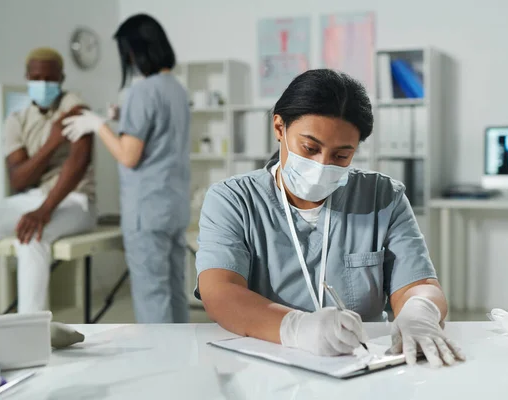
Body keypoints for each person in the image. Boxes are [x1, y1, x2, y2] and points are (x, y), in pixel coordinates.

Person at [195, 69, 465, 368]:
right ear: (279, 127)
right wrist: (297, 328)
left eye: (341, 156)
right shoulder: (233, 200)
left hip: (362, 363)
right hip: (267, 363)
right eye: (309, 148)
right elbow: (220, 293)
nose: (322, 164)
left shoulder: (382, 196)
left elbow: (418, 283)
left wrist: (419, 311)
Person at [62, 14, 190, 324]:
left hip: (147, 211)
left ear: (133, 52)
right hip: (174, 208)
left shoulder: (141, 91)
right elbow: (160, 137)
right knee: (174, 290)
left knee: (152, 296)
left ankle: (159, 366)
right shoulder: (176, 89)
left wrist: (98, 125)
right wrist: (122, 119)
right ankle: (181, 363)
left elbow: (129, 156)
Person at [0, 47, 96, 313]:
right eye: (36, 78)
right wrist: (52, 142)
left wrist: (45, 210)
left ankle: (29, 331)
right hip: (31, 198)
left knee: (33, 239)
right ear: (27, 77)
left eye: (50, 79)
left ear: (61, 78)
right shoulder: (17, 120)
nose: (43, 84)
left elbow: (78, 162)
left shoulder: (75, 109)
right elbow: (19, 179)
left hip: (76, 201)